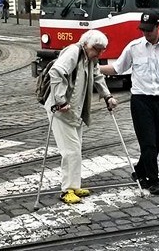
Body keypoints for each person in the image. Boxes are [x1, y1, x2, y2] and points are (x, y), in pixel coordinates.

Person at [99, 11, 159, 195]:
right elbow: (117, 68)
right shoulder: (134, 47)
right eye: (143, 30)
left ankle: (140, 170)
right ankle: (153, 180)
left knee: (156, 142)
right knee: (147, 142)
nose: (146, 33)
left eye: (149, 30)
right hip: (140, 101)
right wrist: (93, 66)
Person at [45, 29, 118, 204]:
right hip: (61, 110)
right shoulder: (73, 52)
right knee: (70, 150)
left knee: (76, 149)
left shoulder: (90, 57)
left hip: (74, 111)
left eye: (102, 50)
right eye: (96, 49)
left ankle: (74, 186)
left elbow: (97, 76)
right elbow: (56, 72)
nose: (99, 53)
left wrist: (107, 96)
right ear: (86, 44)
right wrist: (60, 100)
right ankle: (67, 190)